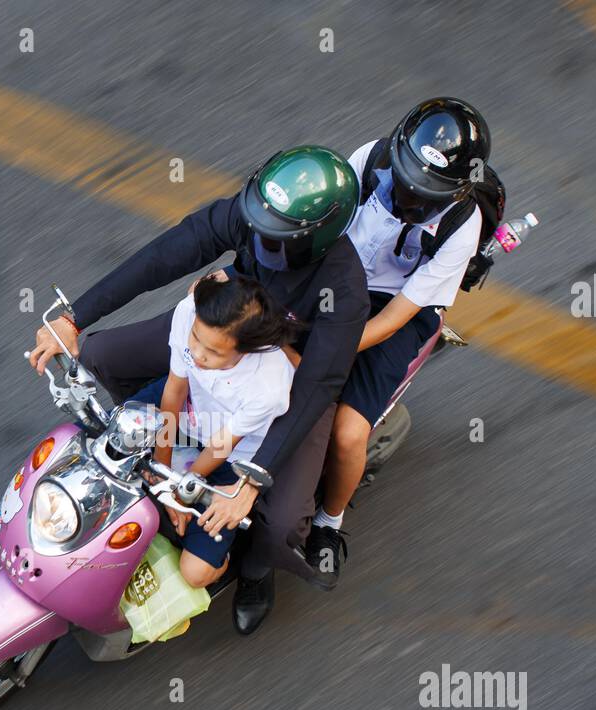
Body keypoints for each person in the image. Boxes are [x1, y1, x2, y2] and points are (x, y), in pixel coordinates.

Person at [28, 145, 367, 635]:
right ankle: (152, 473)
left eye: (276, 239)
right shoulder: (251, 216)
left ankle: (253, 571)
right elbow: (165, 255)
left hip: (292, 379)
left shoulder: (345, 290)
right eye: (257, 226)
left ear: (318, 239)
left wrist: (250, 483)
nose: (259, 238)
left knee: (282, 520)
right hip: (221, 327)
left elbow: (319, 384)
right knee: (99, 355)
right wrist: (74, 318)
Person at [304, 98, 491, 588]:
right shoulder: (372, 159)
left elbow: (394, 317)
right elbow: (326, 227)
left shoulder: (462, 225)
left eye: (428, 192)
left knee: (347, 434)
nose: (411, 196)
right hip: (343, 276)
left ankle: (328, 523)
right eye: (408, 180)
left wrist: (329, 346)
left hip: (400, 308)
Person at [130, 273, 296, 589]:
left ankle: (235, 559)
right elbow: (175, 390)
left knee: (195, 574)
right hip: (186, 413)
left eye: (214, 353)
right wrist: (162, 470)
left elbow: (220, 447)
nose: (197, 354)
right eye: (195, 339)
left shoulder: (269, 386)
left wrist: (177, 491)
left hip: (231, 457)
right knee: (108, 436)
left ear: (249, 349)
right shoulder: (190, 312)